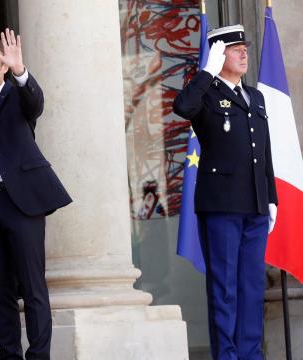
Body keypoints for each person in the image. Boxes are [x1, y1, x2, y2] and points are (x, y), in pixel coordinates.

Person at [0, 31, 72, 359]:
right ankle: (9, 355)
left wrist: (21, 71)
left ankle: (39, 356)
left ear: (3, 67)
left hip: (20, 203)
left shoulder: (17, 98)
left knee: (33, 287)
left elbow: (35, 103)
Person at [173, 24, 277, 360]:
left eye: (244, 47)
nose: (244, 53)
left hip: (255, 204)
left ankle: (250, 355)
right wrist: (205, 72)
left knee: (251, 287)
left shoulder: (255, 97)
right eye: (235, 49)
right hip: (222, 205)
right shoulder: (204, 94)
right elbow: (182, 107)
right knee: (225, 290)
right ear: (219, 55)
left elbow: (265, 152)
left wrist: (271, 197)